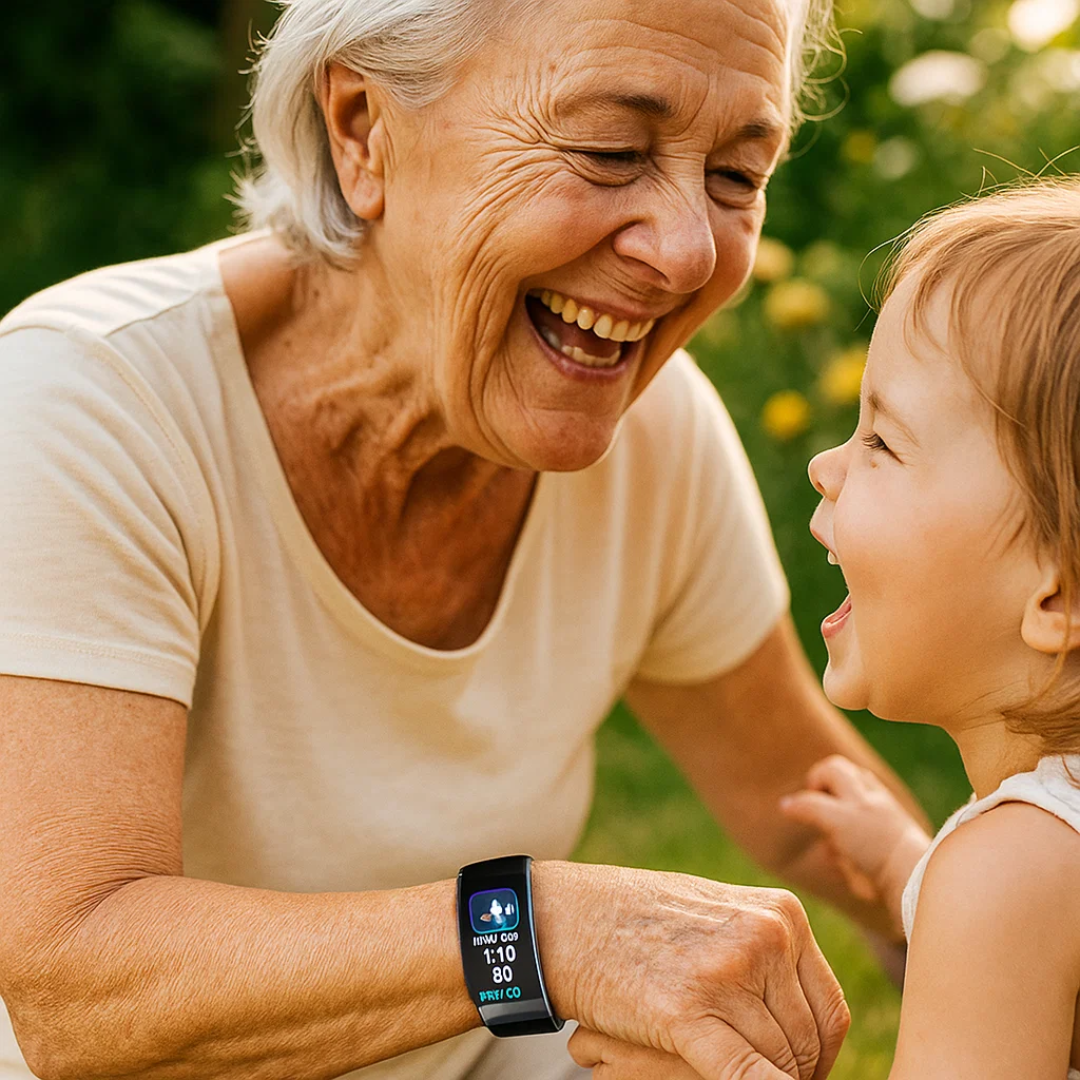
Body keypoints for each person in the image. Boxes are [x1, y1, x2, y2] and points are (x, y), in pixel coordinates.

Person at [0, 1, 926, 1078]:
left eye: (735, 176)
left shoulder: (653, 434)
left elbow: (806, 800)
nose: (684, 252)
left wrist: (1003, 935)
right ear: (362, 131)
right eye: (609, 151)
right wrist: (539, 931)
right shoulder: (90, 403)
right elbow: (73, 986)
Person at [778, 178, 1080, 1079]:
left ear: (1058, 598)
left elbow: (1012, 913)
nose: (824, 464)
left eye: (882, 441)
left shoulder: (1003, 880)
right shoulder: (1025, 873)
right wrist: (913, 869)